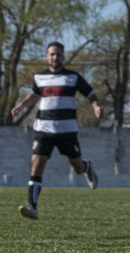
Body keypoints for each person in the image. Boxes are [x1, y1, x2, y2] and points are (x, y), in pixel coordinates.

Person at [10, 42, 102, 219]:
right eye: (52, 54)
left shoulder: (73, 77)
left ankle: (86, 166)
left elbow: (90, 94)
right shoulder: (39, 77)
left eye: (58, 54)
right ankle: (33, 207)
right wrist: (20, 105)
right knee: (36, 166)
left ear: (63, 56)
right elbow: (34, 94)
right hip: (43, 129)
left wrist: (96, 106)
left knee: (77, 167)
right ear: (47, 57)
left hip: (67, 130)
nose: (55, 57)